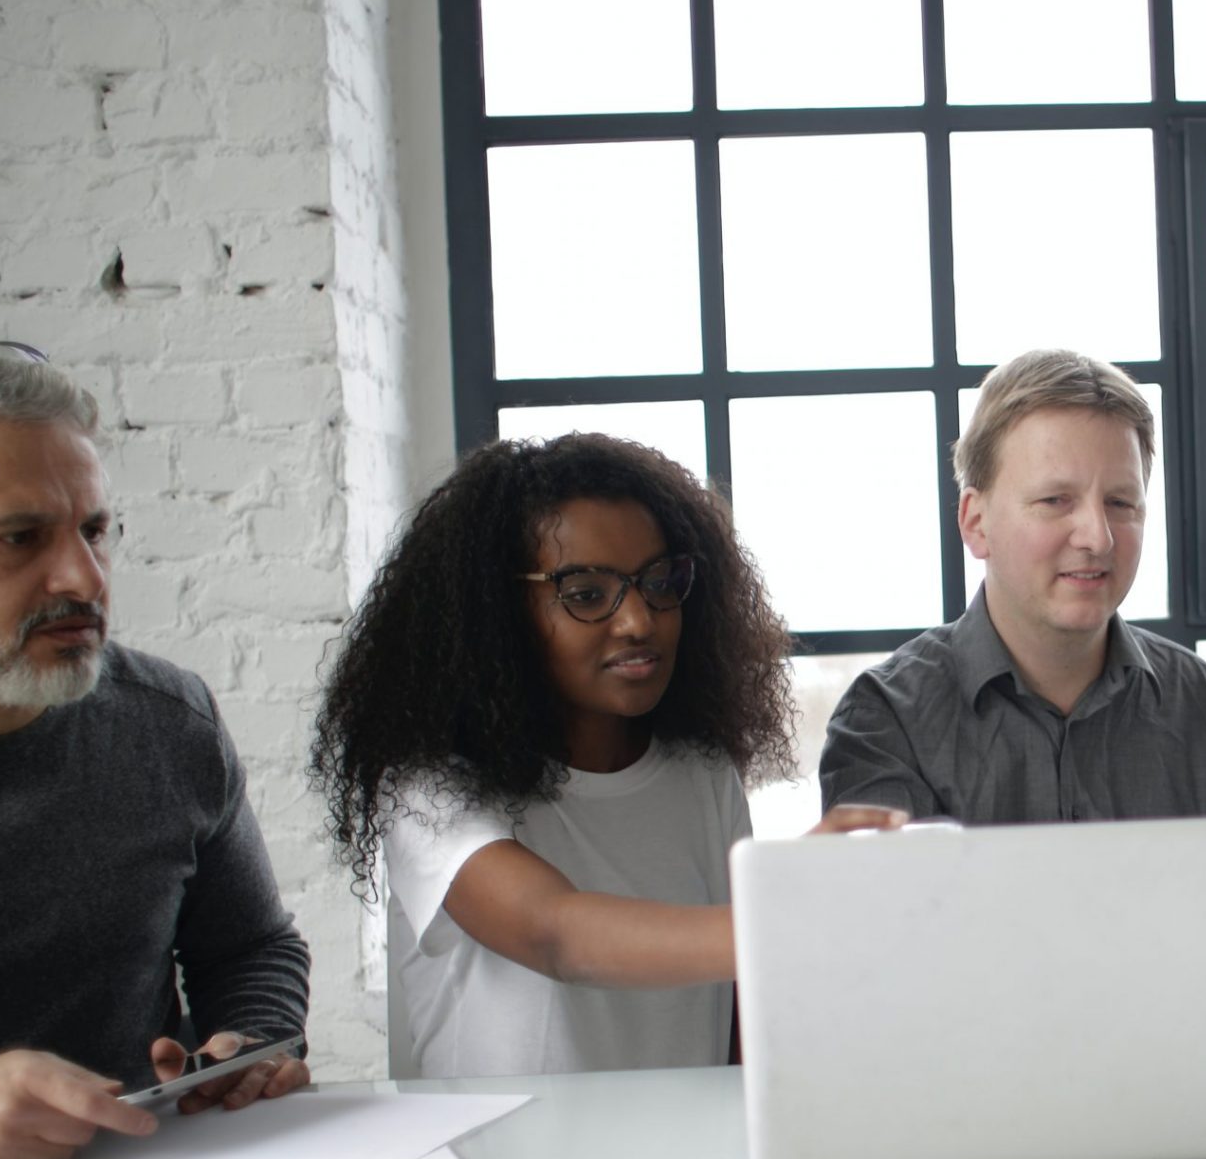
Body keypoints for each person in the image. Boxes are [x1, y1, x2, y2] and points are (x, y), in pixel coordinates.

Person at [0, 340, 311, 1159]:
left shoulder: (169, 723)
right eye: (19, 538)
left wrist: (248, 1049)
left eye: (95, 529)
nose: (82, 575)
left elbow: (252, 949)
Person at [312, 432, 899, 1078]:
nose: (639, 621)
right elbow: (554, 933)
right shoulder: (431, 787)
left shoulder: (701, 772)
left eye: (660, 581)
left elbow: (739, 1012)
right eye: (587, 593)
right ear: (499, 613)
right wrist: (785, 906)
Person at [819, 348, 1206, 823]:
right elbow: (890, 898)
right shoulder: (886, 721)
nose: (1098, 538)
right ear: (975, 522)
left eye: (1121, 502)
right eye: (1055, 500)